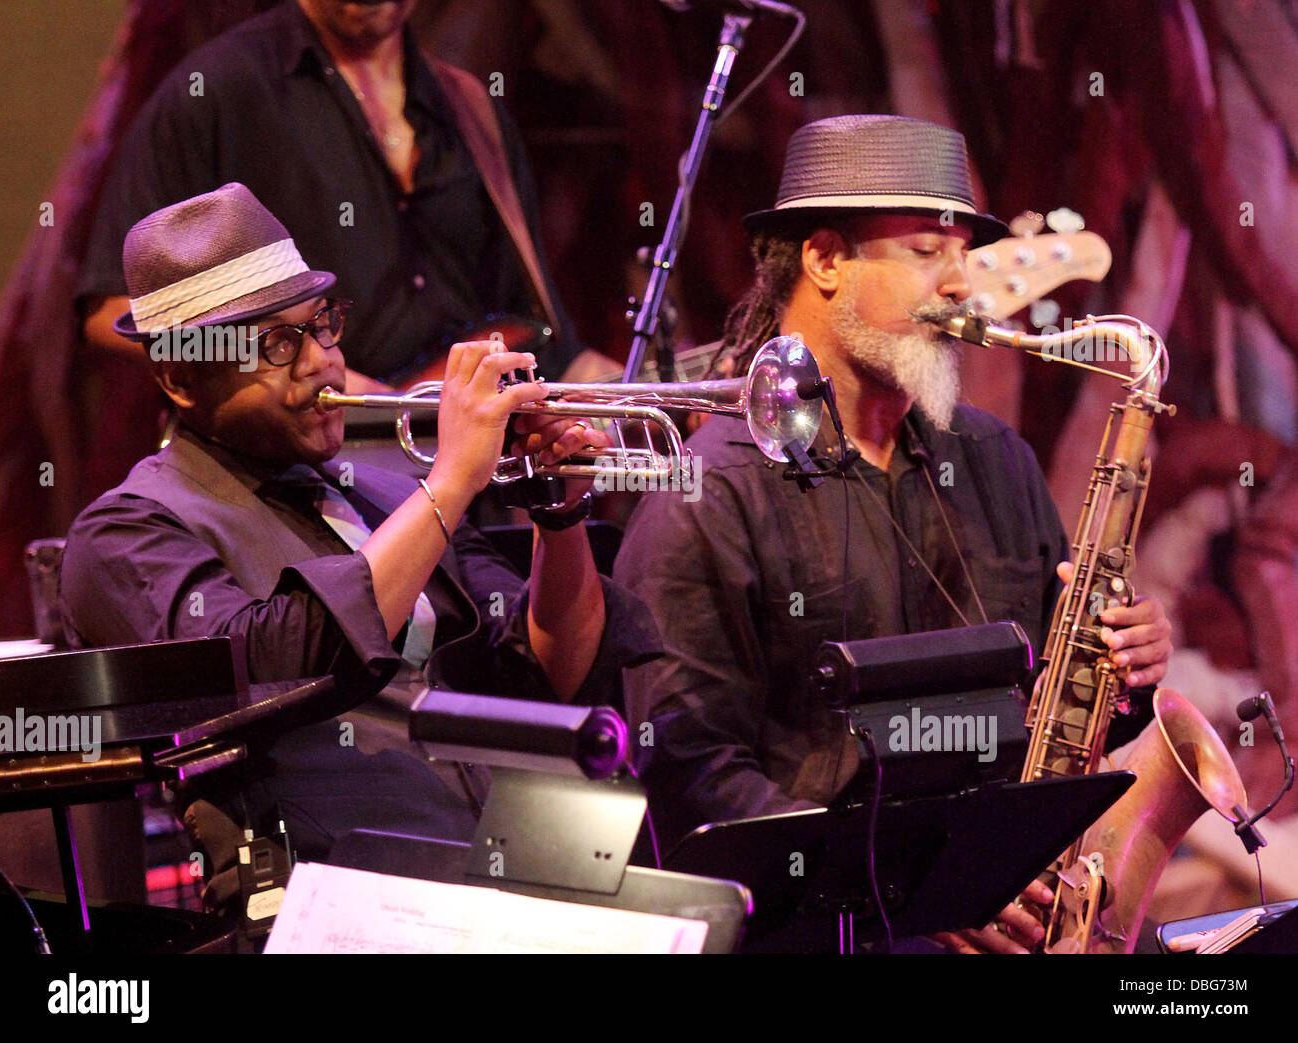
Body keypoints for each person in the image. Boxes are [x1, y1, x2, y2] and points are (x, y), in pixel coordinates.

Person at [614, 115, 1173, 953]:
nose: (960, 285)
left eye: (963, 253)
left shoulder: (998, 461)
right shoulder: (712, 489)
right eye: (924, 250)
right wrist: (920, 891)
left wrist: (1125, 672)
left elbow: (1063, 709)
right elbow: (691, 772)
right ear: (826, 259)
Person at [59, 183, 656, 908]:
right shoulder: (124, 533)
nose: (320, 362)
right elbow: (272, 660)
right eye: (276, 342)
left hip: (500, 885)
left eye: (322, 326)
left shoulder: (381, 494)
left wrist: (556, 515)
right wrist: (450, 484)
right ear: (181, 377)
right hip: (315, 909)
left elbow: (546, 676)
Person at [77, 0, 607, 392]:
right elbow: (112, 316)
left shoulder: (471, 109)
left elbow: (533, 327)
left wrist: (660, 388)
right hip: (289, 479)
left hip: (460, 477)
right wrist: (282, 363)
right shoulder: (215, 89)